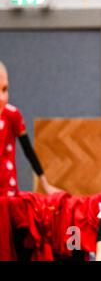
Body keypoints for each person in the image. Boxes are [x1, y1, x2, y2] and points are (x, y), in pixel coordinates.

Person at [0, 61, 61, 196]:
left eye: (5, 89)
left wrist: (45, 185)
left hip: (7, 190)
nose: (2, 97)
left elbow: (28, 150)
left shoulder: (12, 115)